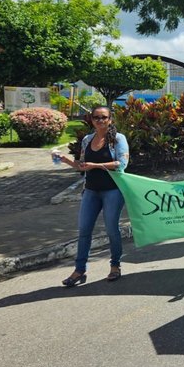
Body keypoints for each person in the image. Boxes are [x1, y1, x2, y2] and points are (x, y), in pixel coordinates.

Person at [56, 106, 129, 286]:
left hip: (113, 190)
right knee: (84, 230)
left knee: (112, 229)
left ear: (110, 119)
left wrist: (95, 165)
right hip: (90, 191)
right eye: (96, 117)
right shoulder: (88, 139)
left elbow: (122, 164)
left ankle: (115, 265)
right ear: (91, 120)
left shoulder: (117, 139)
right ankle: (79, 270)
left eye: (104, 117)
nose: (100, 120)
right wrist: (65, 160)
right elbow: (82, 165)